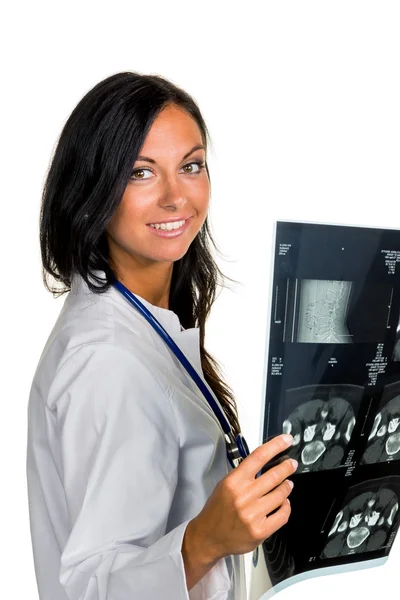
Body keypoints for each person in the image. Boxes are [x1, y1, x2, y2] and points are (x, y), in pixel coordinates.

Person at [26, 71, 298, 600]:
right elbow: (91, 588)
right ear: (92, 190)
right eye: (141, 173)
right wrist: (205, 540)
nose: (177, 197)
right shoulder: (106, 360)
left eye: (191, 166)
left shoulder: (144, 323)